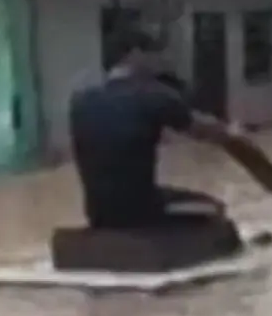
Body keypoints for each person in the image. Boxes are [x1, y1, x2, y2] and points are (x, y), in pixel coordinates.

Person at [69, 27, 241, 232]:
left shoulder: (81, 101)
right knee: (214, 208)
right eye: (152, 53)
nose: (157, 61)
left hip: (97, 215)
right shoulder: (154, 94)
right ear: (135, 54)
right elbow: (205, 131)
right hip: (142, 211)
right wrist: (231, 131)